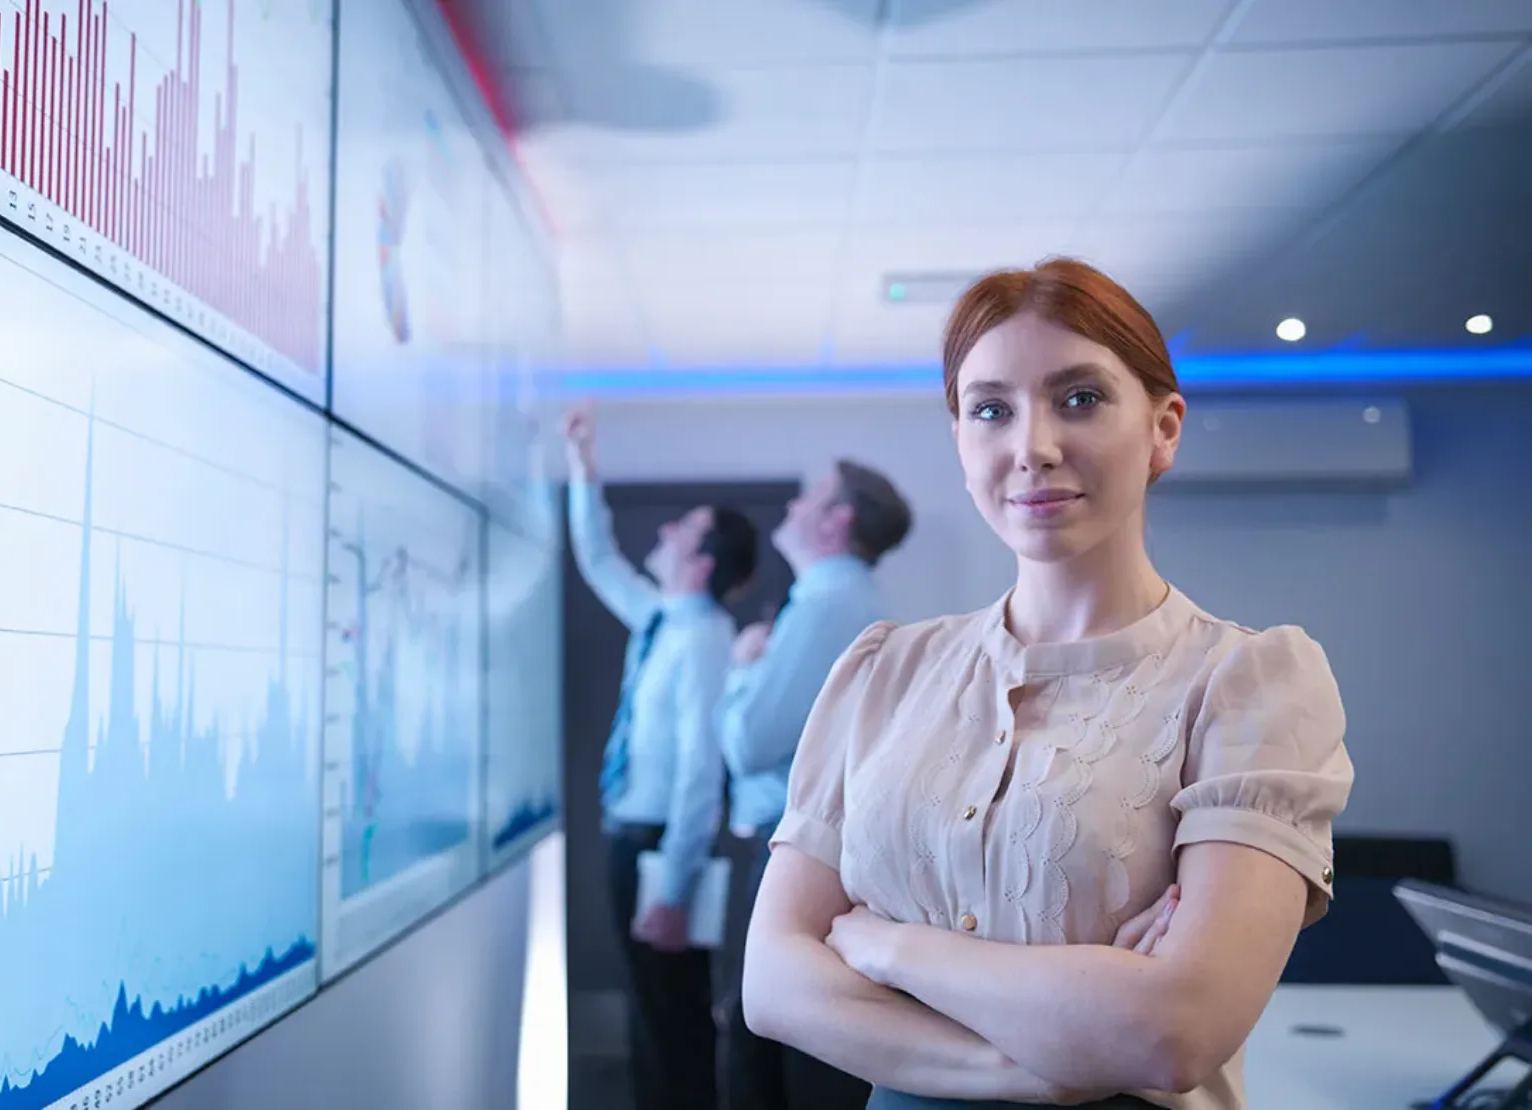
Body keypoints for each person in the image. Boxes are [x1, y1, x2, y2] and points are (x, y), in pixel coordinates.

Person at [740, 257, 1355, 1110]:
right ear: (961, 442)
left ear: (1164, 428)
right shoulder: (881, 672)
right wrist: (1045, 1060)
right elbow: (772, 984)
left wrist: (884, 947)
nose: (1032, 447)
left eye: (1080, 399)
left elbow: (1175, 1031)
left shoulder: (1248, 681)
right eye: (991, 409)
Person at [563, 405, 760, 1110]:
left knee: (669, 1022)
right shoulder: (661, 620)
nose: (667, 530)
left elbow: (700, 779)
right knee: (653, 1016)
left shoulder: (703, 640)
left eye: (684, 527)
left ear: (700, 560)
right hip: (633, 843)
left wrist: (673, 890)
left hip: (658, 850)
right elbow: (598, 559)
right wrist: (584, 467)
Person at [720, 460, 914, 1110]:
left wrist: (743, 669)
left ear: (839, 520)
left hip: (792, 850)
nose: (795, 507)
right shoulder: (834, 599)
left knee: (768, 1053)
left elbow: (750, 742)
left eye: (812, 498)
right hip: (799, 844)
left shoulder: (828, 601)